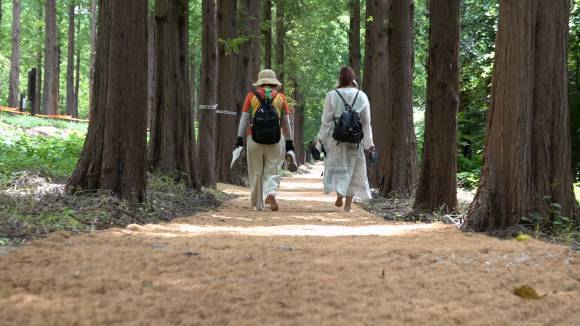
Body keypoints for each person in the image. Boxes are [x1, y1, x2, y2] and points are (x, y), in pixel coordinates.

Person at [235, 69, 297, 211]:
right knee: (273, 169)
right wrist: (289, 143)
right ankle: (270, 193)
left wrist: (239, 139)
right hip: (275, 139)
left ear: (260, 83)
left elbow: (244, 118)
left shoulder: (251, 96)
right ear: (274, 83)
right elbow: (286, 122)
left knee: (256, 170)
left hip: (254, 139)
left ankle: (258, 204)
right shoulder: (280, 97)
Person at [316, 67, 375, 212]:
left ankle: (340, 194)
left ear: (340, 78)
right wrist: (369, 144)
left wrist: (320, 140)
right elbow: (366, 123)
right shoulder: (362, 96)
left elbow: (326, 121)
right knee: (354, 170)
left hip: (337, 138)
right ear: (353, 79)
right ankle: (348, 203)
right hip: (355, 139)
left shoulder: (332, 95)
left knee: (338, 167)